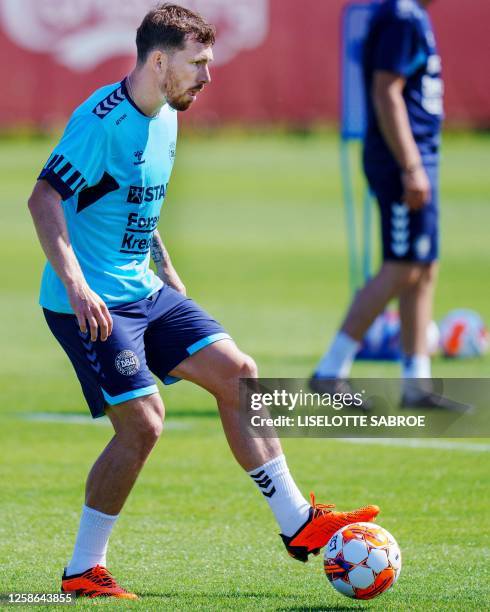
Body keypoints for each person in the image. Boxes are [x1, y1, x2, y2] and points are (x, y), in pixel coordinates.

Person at [28, 4, 379, 600]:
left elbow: (135, 198)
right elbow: (43, 200)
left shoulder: (167, 115)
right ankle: (83, 569)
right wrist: (78, 286)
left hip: (145, 290)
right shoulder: (100, 121)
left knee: (239, 373)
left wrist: (166, 268)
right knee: (143, 425)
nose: (208, 77)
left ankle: (297, 523)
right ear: (159, 60)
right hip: (89, 304)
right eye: (199, 64)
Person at [312, 0, 453, 408]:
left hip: (418, 155)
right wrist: (410, 166)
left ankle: (416, 383)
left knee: (424, 267)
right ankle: (330, 372)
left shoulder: (411, 15)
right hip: (401, 160)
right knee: (401, 267)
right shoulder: (400, 15)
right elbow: (386, 90)